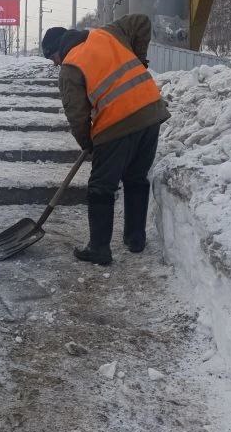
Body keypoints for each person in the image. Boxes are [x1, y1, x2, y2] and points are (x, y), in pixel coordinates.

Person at [40, 15, 170, 266]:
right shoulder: (106, 33)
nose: (55, 63)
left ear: (59, 49)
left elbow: (77, 115)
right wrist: (139, 59)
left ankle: (99, 248)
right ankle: (135, 239)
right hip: (150, 111)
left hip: (117, 123)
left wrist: (87, 143)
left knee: (101, 186)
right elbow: (142, 22)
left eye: (52, 58)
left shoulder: (70, 67)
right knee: (136, 178)